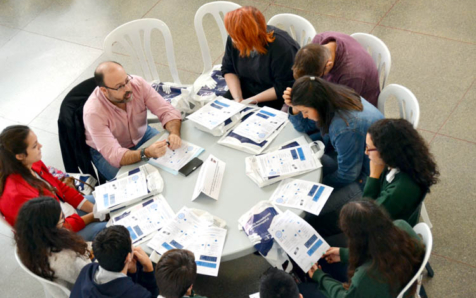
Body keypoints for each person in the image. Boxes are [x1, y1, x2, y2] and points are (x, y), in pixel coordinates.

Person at [287, 77, 383, 225]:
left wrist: (317, 184)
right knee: (311, 162)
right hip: (353, 161)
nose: (304, 116)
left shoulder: (345, 127)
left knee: (306, 213)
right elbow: (303, 127)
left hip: (366, 180)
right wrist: (294, 109)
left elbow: (348, 174)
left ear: (317, 104)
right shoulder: (335, 97)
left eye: (305, 111)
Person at [0, 125, 106, 240]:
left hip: (64, 211)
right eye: (35, 146)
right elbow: (54, 230)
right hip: (57, 236)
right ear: (20, 156)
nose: (41, 146)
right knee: (112, 227)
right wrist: (93, 216)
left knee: (109, 202)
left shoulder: (32, 163)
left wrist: (94, 209)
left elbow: (60, 187)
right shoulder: (18, 195)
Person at [299, 200, 424, 298]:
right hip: (399, 284)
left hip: (379, 289)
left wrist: (320, 277)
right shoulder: (402, 226)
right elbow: (380, 251)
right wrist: (343, 254)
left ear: (356, 239)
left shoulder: (365, 276)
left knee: (302, 289)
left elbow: (345, 296)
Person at [84, 61, 182, 180]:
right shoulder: (93, 112)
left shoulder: (137, 83)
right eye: (120, 86)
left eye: (126, 80)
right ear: (104, 91)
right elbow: (115, 156)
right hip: (108, 151)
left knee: (176, 161)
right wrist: (145, 153)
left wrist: (174, 133)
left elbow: (167, 111)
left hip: (142, 134)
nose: (128, 88)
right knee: (140, 185)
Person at [221, 6, 300, 110]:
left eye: (236, 37)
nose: (233, 40)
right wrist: (238, 99)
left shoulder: (282, 48)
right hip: (244, 89)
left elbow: (284, 87)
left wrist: (249, 101)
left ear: (248, 35)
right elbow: (228, 68)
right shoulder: (233, 38)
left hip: (274, 97)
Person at [364, 119, 439, 223]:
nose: (366, 152)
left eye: (369, 148)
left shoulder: (397, 191)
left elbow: (366, 218)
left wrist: (373, 175)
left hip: (386, 227)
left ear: (385, 151)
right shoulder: (409, 159)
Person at [14, 197, 92, 290]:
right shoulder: (64, 259)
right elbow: (93, 278)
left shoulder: (30, 243)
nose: (64, 222)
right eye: (62, 219)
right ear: (49, 228)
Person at [292, 32, 380, 107]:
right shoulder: (318, 40)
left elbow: (339, 109)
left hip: (355, 104)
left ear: (328, 65)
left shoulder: (351, 75)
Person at [70, 226, 159, 298]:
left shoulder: (87, 270)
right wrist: (149, 268)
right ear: (128, 257)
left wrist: (132, 272)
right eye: (131, 244)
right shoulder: (139, 295)